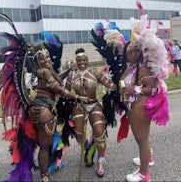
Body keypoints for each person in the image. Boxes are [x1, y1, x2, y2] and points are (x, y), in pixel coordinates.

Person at [119, 14, 170, 182]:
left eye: (135, 50)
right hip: (132, 106)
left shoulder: (143, 69)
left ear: (140, 52)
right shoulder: (130, 67)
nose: (131, 53)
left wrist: (132, 89)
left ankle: (144, 174)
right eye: (129, 50)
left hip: (140, 106)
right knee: (142, 138)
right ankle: (148, 158)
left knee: (141, 140)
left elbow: (152, 89)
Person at [28, 43, 88, 182]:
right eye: (43, 58)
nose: (47, 60)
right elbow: (59, 90)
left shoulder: (45, 71)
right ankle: (44, 175)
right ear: (37, 61)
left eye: (48, 57)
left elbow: (57, 80)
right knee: (45, 146)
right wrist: (76, 97)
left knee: (46, 144)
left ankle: (45, 172)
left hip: (42, 108)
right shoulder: (45, 72)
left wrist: (68, 71)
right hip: (44, 110)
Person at [64, 47, 117, 177]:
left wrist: (117, 86)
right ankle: (89, 150)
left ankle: (100, 159)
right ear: (76, 61)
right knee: (79, 135)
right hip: (78, 106)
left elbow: (108, 83)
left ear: (87, 61)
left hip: (93, 105)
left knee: (99, 132)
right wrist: (73, 97)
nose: (82, 62)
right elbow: (65, 91)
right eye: (79, 60)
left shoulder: (95, 72)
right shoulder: (71, 75)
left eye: (84, 60)